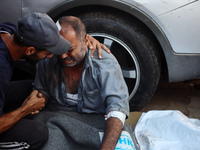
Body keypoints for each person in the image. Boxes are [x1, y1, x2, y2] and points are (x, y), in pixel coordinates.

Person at [0, 12, 110, 150]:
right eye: (48, 53)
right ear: (30, 50)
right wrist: (25, 109)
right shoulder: (2, 69)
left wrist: (84, 41)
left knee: (28, 87)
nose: (53, 56)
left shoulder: (7, 32)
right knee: (38, 134)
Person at [33, 16, 132, 150]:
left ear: (86, 41)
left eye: (70, 49)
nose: (63, 56)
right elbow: (41, 91)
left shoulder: (104, 63)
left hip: (95, 122)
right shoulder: (48, 60)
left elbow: (117, 108)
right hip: (57, 120)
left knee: (117, 138)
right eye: (60, 49)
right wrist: (38, 98)